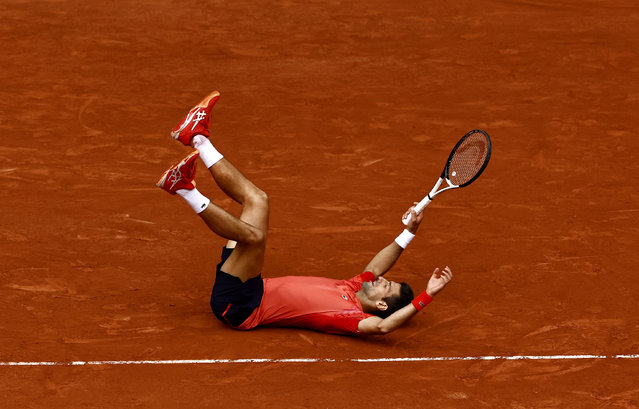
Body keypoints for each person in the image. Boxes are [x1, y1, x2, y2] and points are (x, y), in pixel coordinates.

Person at [157, 91, 453, 336]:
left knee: (254, 238)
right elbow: (378, 264)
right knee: (258, 200)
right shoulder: (351, 286)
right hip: (248, 283)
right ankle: (197, 137)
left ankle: (184, 189)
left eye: (385, 286)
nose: (379, 279)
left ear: (381, 305)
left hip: (241, 305)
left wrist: (428, 295)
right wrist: (409, 232)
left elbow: (385, 328)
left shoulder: (349, 316)